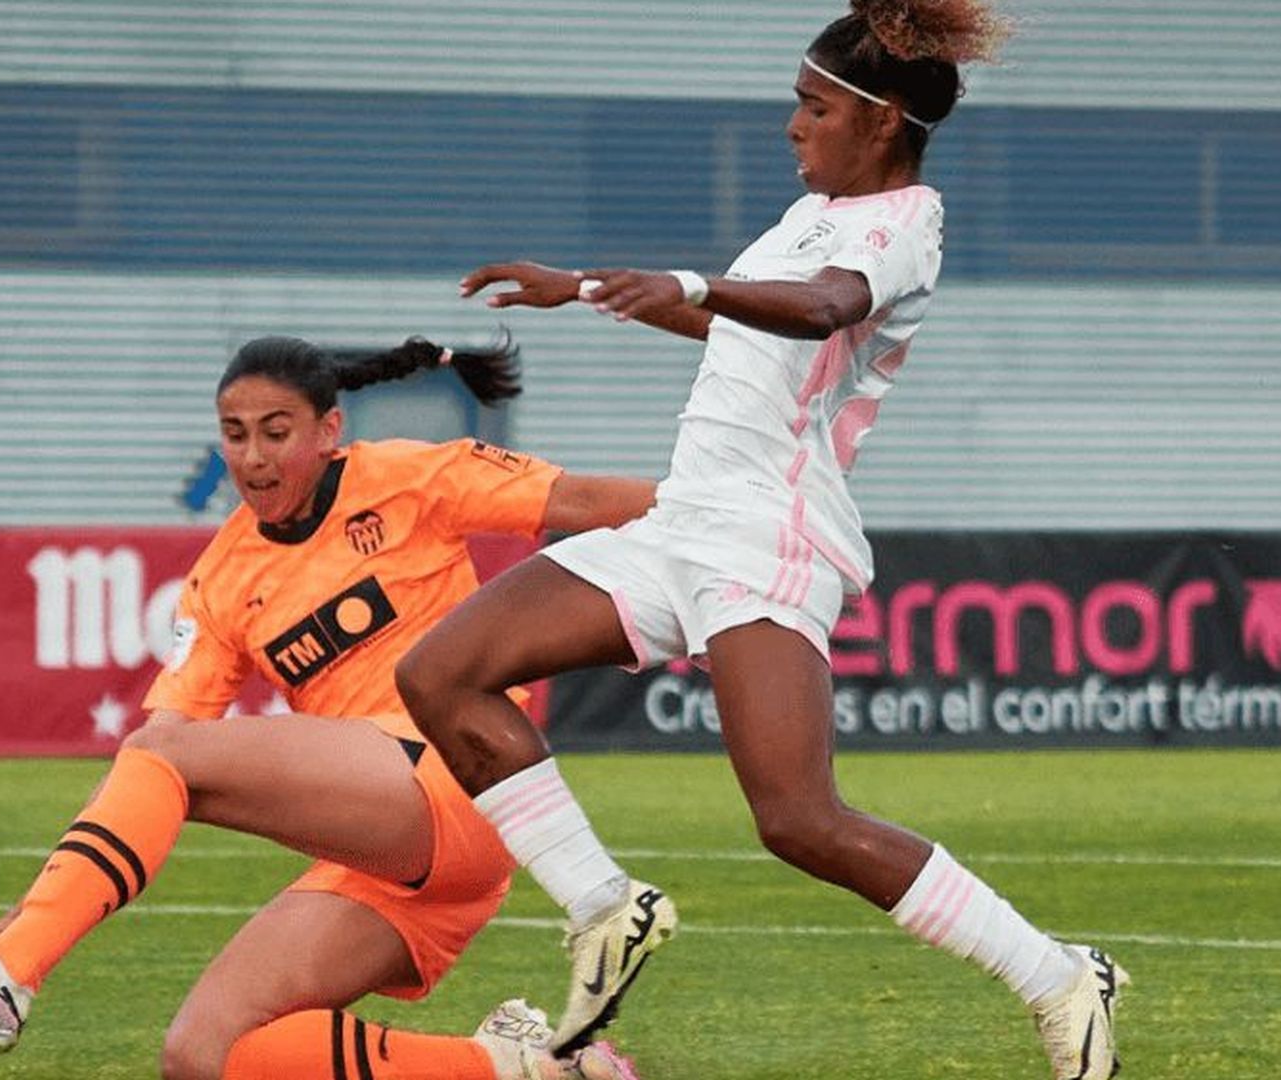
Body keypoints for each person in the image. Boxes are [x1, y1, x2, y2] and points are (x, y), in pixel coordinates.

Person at [394, 2, 1131, 1078]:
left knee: (797, 820)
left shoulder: (903, 223)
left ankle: (1058, 978)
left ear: (881, 122)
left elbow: (824, 307)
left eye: (814, 106)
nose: (793, 124)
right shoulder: (811, 213)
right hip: (682, 522)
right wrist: (589, 286)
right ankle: (605, 907)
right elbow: (736, 316)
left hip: (766, 536)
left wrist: (692, 280)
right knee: (441, 674)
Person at [0, 333, 656, 1080]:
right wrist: (34, 910)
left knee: (163, 756)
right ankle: (524, 1066)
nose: (253, 456)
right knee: (207, 1053)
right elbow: (160, 747)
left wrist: (718, 535)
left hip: (465, 776)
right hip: (397, 854)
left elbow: (589, 498)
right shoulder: (222, 578)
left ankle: (6, 976)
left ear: (329, 430)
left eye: (276, 432)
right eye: (234, 434)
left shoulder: (408, 477)